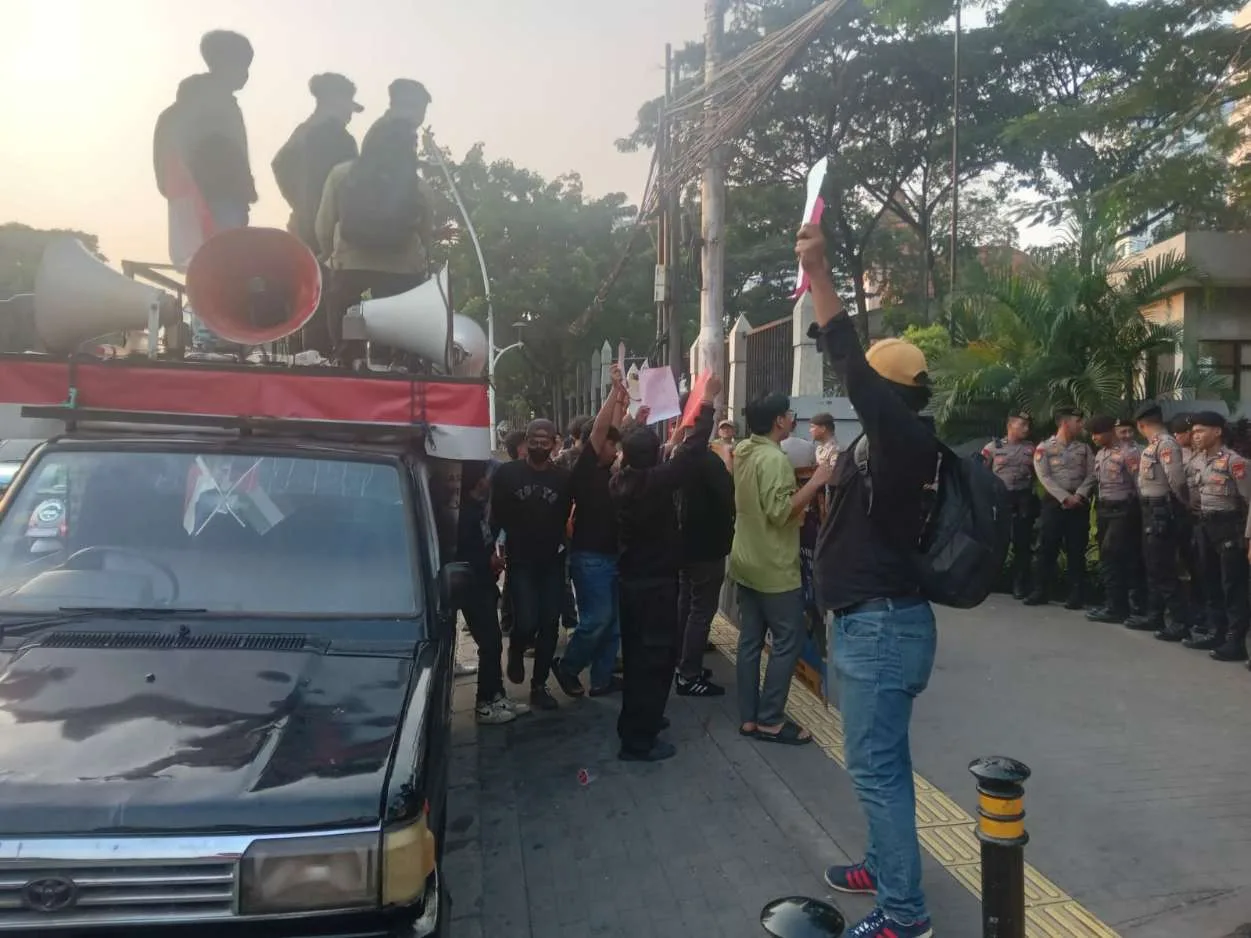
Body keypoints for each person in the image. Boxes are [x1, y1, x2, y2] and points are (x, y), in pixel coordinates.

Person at [797, 223, 937, 938]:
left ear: (887, 391)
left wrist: (819, 274)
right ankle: (884, 869)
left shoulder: (903, 438)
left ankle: (904, 915)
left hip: (880, 627)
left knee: (875, 771)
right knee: (883, 766)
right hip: (869, 622)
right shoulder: (878, 444)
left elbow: (849, 361)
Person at [611, 375, 720, 762]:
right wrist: (706, 403)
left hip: (631, 584)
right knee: (654, 662)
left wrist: (637, 426)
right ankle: (639, 740)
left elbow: (665, 454)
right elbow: (690, 454)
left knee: (640, 659)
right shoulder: (652, 484)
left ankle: (640, 722)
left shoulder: (621, 480)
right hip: (654, 587)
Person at [730, 396, 831, 746]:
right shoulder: (774, 459)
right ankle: (771, 719)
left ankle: (748, 718)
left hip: (745, 559)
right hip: (774, 566)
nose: (792, 419)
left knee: (750, 641)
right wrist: (816, 482)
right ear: (778, 421)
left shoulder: (743, 450)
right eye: (789, 415)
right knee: (787, 641)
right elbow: (780, 512)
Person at [315, 118, 437, 369]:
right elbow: (426, 235)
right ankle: (400, 359)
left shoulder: (341, 174)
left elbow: (323, 226)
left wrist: (329, 253)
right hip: (403, 267)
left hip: (350, 264)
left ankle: (348, 355)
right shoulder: (419, 187)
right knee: (404, 308)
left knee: (341, 299)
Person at [271, 73, 363, 357]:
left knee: (309, 295)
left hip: (300, 227)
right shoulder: (340, 139)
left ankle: (308, 358)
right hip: (331, 232)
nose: (351, 113)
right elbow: (351, 188)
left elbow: (278, 165)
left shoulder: (300, 133)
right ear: (335, 100)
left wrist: (299, 203)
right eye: (349, 105)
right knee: (338, 299)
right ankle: (337, 361)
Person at [154, 30, 257, 269]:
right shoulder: (219, 108)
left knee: (204, 272)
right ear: (225, 64)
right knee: (226, 270)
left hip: (188, 207)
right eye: (242, 65)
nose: (246, 74)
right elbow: (230, 159)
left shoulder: (174, 112)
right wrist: (241, 190)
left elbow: (163, 171)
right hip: (220, 204)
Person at [490, 418, 572, 711]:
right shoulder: (508, 474)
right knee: (526, 620)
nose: (539, 445)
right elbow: (494, 513)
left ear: (555, 442)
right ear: (526, 441)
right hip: (520, 560)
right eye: (534, 440)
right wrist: (492, 548)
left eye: (545, 440)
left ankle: (539, 685)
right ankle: (516, 647)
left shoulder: (563, 478)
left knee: (550, 624)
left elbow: (568, 513)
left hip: (552, 560)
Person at [552, 381, 626, 699]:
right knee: (597, 619)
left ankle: (602, 679)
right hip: (590, 558)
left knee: (613, 624)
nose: (615, 451)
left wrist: (623, 403)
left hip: (613, 556)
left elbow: (614, 431)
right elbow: (601, 430)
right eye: (611, 447)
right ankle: (567, 666)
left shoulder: (612, 473)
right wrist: (612, 392)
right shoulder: (585, 470)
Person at [457, 461, 529, 724]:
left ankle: (497, 695)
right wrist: (488, 561)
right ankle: (484, 703)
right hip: (473, 586)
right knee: (489, 643)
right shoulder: (464, 515)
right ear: (479, 481)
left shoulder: (480, 508)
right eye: (488, 477)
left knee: (495, 642)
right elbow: (464, 555)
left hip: (485, 583)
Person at [675, 398, 735, 697]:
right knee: (700, 610)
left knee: (686, 604)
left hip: (686, 545)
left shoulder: (679, 456)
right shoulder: (708, 461)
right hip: (707, 548)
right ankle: (689, 674)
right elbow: (727, 494)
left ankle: (684, 661)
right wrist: (726, 462)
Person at [1186, 413, 1251, 662]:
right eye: (1194, 432)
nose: (1196, 435)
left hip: (1229, 528)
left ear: (1218, 432)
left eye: (1201, 430)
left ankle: (1235, 641)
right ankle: (1217, 632)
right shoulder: (1197, 461)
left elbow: (1249, 500)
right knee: (1209, 581)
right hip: (1205, 525)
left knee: (1232, 586)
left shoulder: (1236, 463)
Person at [1025, 407, 1095, 609]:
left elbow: (1092, 474)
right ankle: (1040, 590)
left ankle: (1076, 594)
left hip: (1079, 503)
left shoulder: (1084, 449)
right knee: (1047, 548)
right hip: (1054, 503)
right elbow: (1044, 477)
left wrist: (1079, 495)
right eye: (1077, 421)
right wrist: (1065, 498)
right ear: (1065, 423)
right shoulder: (1044, 448)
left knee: (1076, 550)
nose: (1081, 425)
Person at [1128, 403, 1189, 635]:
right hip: (1149, 511)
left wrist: (1185, 505)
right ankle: (1155, 616)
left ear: (1141, 425)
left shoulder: (1166, 444)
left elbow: (1176, 481)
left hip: (1161, 510)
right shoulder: (1154, 445)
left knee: (1162, 567)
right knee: (1153, 566)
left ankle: (1179, 622)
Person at [1084, 416, 1141, 625]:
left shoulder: (1130, 453)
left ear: (1110, 432)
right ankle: (1113, 604)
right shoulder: (1101, 453)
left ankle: (1120, 607)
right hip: (1105, 509)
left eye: (1097, 433)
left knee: (1113, 554)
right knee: (1107, 556)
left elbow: (1139, 483)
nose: (1094, 438)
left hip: (1124, 510)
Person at [982, 413, 1038, 600]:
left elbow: (1038, 474)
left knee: (1022, 544)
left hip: (1023, 498)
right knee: (997, 542)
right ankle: (989, 581)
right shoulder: (992, 448)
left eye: (1027, 425)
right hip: (1001, 499)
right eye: (1022, 424)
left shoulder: (1032, 449)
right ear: (1010, 425)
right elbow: (982, 474)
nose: (1026, 429)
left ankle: (1020, 583)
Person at [1162, 414, 1204, 643]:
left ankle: (1203, 617)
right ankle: (1186, 616)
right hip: (1181, 515)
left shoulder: (1208, 455)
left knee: (1202, 569)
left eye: (1183, 433)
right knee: (1181, 566)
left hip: (1203, 516)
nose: (1181, 437)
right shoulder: (1177, 454)